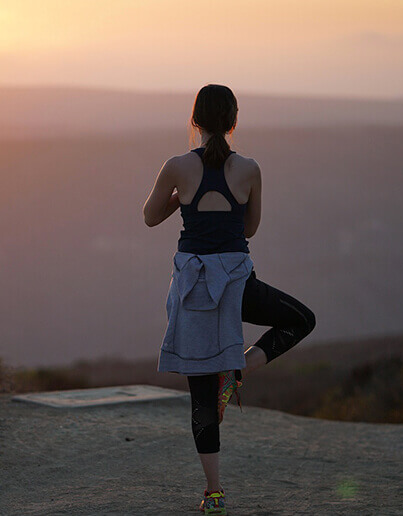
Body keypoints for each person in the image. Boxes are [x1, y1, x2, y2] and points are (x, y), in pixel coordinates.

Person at [142, 84, 316, 515]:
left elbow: (149, 217)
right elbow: (250, 229)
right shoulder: (251, 168)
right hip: (237, 285)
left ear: (195, 120)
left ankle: (214, 494)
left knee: (200, 394)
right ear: (234, 121)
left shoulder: (177, 166)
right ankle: (240, 369)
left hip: (193, 291)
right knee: (300, 320)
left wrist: (183, 196)